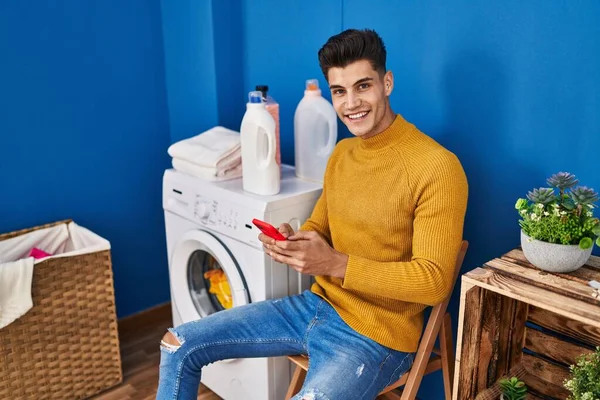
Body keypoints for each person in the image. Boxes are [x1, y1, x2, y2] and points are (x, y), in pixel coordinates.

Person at [156, 28, 468, 400]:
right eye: (339, 91)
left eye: (363, 86)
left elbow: (433, 281)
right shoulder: (342, 154)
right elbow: (320, 225)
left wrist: (335, 263)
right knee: (178, 343)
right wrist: (290, 238)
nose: (351, 103)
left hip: (377, 336)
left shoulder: (437, 167)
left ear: (387, 83)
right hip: (315, 307)